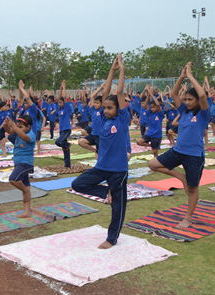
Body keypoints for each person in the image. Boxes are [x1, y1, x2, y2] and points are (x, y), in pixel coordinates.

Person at [71, 53, 130, 249]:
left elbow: (118, 93)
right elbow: (105, 93)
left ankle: (112, 238)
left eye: (110, 108)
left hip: (118, 170)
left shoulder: (122, 119)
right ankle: (108, 192)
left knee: (118, 206)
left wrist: (121, 70)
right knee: (78, 184)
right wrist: (111, 71)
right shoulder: (104, 119)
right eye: (104, 108)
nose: (106, 110)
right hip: (102, 167)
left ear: (118, 109)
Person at [148, 62, 210, 229]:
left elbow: (203, 96)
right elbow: (174, 93)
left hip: (194, 155)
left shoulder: (204, 114)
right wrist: (182, 77)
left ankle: (188, 218)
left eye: (190, 99)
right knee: (152, 164)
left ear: (197, 100)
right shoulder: (184, 111)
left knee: (192, 188)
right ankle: (181, 177)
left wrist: (190, 77)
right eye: (186, 100)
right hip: (177, 151)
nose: (187, 102)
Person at [2, 114, 36, 218]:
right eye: (18, 126)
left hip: (26, 163)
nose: (18, 128)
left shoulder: (31, 134)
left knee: (13, 179)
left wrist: (14, 126)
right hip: (19, 163)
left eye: (21, 127)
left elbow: (24, 137)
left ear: (28, 127)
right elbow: (10, 131)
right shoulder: (18, 133)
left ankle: (26, 191)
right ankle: (27, 212)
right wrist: (6, 125)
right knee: (25, 185)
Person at [78, 85, 104, 157]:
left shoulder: (102, 110)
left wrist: (104, 88)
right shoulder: (93, 110)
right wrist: (101, 87)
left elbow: (104, 96)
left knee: (99, 157)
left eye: (97, 103)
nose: (95, 104)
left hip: (100, 135)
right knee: (81, 142)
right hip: (93, 134)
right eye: (95, 102)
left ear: (102, 104)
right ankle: (95, 151)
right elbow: (92, 96)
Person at [137, 88, 164, 157]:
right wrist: (148, 95)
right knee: (139, 142)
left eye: (153, 107)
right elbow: (146, 104)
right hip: (149, 133)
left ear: (157, 108)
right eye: (151, 107)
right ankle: (152, 145)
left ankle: (156, 164)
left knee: (155, 152)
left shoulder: (160, 114)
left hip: (157, 135)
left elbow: (158, 104)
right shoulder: (150, 113)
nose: (152, 109)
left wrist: (152, 95)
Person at [55, 80, 72, 168]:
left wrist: (64, 87)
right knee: (65, 149)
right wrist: (60, 88)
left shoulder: (66, 108)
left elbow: (64, 98)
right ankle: (67, 165)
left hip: (66, 130)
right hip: (61, 130)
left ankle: (68, 144)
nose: (59, 104)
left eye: (61, 103)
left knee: (58, 142)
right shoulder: (60, 109)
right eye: (59, 103)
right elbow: (59, 99)